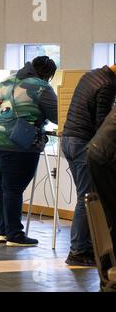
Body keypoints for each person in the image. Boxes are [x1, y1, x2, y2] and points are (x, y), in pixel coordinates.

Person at [0, 56, 58, 246]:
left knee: (4, 186)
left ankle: (3, 232)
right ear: (48, 74)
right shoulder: (41, 87)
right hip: (16, 142)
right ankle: (15, 235)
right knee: (13, 188)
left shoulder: (9, 80)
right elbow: (58, 114)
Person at [62, 64, 116, 266]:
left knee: (84, 198)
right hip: (82, 142)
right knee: (87, 198)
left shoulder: (91, 75)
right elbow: (102, 123)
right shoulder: (108, 84)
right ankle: (77, 251)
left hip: (68, 139)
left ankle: (85, 246)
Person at [88, 107, 116, 257]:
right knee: (111, 214)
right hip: (106, 156)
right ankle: (109, 268)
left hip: (100, 152)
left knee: (109, 214)